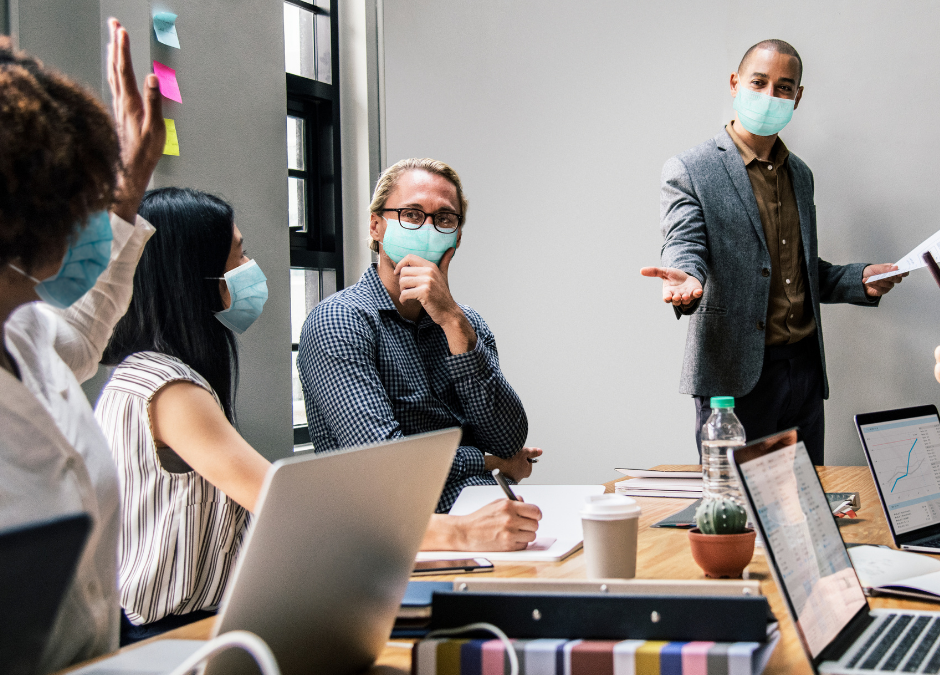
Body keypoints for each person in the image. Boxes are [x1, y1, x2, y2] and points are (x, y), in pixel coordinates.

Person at [641, 39, 905, 464]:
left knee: (806, 508)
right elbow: (683, 243)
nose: (770, 96)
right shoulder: (690, 169)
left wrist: (862, 280)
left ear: (797, 97)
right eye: (759, 82)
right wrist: (687, 277)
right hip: (734, 378)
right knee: (736, 513)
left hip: (802, 370)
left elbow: (796, 270)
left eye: (784, 88)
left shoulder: (800, 174)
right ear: (735, 83)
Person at [0, 20, 164, 671]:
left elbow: (87, 334)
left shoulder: (31, 330)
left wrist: (130, 185)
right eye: (84, 201)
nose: (94, 217)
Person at [298, 158, 542, 551]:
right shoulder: (340, 322)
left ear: (458, 237)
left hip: (491, 520)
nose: (428, 229)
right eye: (411, 214)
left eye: (445, 219)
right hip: (397, 540)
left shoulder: (466, 323)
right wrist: (488, 461)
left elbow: (509, 436)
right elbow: (388, 467)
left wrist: (452, 322)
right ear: (376, 226)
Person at [95, 187, 271, 642]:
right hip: (170, 635)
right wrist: (455, 534)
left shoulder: (145, 373)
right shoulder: (169, 388)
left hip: (182, 623)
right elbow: (277, 501)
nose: (249, 271)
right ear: (194, 273)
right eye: (239, 256)